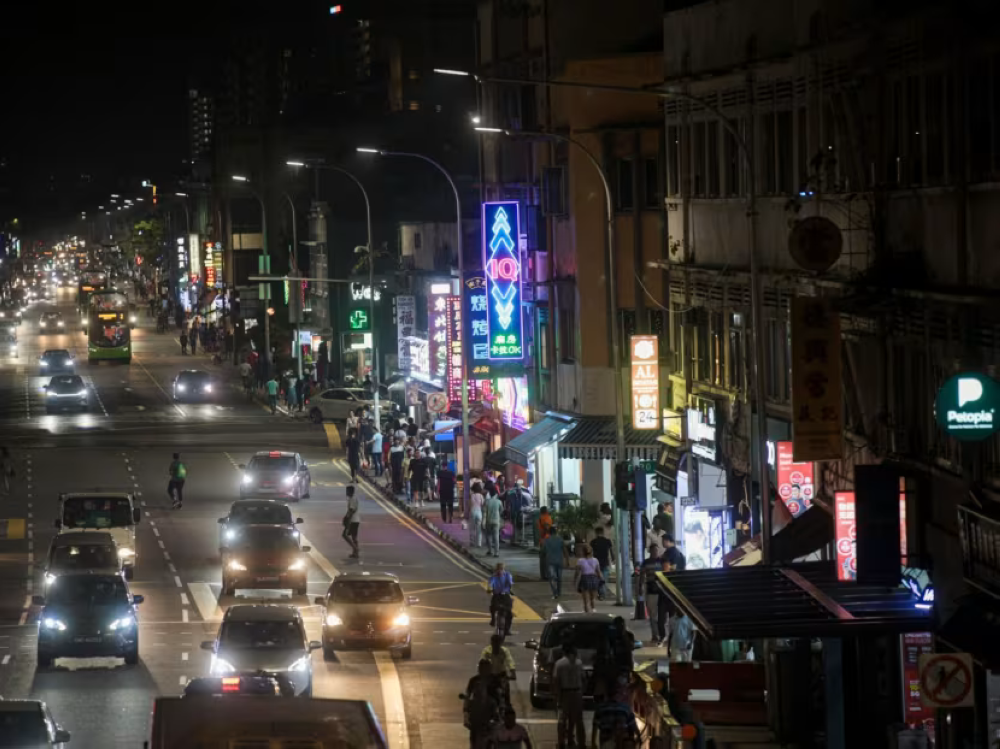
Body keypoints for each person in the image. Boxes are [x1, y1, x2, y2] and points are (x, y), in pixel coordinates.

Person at [553, 644, 587, 749]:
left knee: (562, 719)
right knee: (578, 719)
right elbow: (584, 678)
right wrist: (582, 691)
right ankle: (580, 742)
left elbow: (556, 681)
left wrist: (557, 696)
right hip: (577, 692)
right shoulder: (579, 663)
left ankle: (561, 742)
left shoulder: (559, 664)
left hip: (565, 693)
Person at [465, 659, 501, 749]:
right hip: (477, 714)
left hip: (492, 713)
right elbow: (467, 697)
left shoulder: (495, 680)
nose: (483, 671)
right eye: (481, 668)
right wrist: (465, 714)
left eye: (486, 668)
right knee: (474, 738)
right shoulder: (473, 681)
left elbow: (501, 696)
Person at [639, 545, 665, 644]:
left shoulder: (662, 561)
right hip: (651, 591)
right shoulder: (646, 562)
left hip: (661, 591)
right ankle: (655, 635)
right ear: (650, 551)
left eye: (656, 550)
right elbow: (642, 575)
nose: (655, 552)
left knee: (661, 615)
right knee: (652, 615)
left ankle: (661, 634)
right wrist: (640, 587)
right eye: (653, 550)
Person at [573, 544, 603, 614]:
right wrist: (601, 579)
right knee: (592, 598)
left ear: (583, 552)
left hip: (585, 579)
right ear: (592, 552)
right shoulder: (595, 560)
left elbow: (577, 572)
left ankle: (586, 612)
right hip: (594, 579)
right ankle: (594, 610)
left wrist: (574, 581)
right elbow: (598, 571)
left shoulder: (580, 561)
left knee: (585, 599)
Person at [487, 562, 514, 636]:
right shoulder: (493, 576)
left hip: (505, 595)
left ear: (503, 569)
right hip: (497, 595)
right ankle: (493, 619)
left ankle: (507, 629)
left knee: (510, 614)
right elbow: (490, 584)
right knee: (493, 606)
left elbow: (510, 584)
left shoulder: (508, 575)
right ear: (496, 570)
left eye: (501, 569)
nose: (500, 571)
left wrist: (507, 589)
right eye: (498, 569)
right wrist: (489, 589)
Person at [541, 527, 568, 600]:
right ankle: (559, 593)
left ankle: (555, 593)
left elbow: (543, 551)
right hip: (559, 561)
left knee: (552, 578)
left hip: (550, 562)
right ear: (556, 532)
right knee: (559, 578)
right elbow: (565, 550)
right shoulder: (560, 540)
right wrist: (567, 560)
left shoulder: (546, 541)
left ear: (549, 533)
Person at [589, 526, 614, 601]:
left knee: (597, 579)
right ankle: (603, 593)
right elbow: (611, 552)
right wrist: (613, 558)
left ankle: (601, 594)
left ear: (596, 533)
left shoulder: (593, 542)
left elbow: (590, 552)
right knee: (604, 579)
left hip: (596, 563)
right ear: (602, 533)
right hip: (605, 562)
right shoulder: (607, 541)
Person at [483, 487, 504, 557]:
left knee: (488, 536)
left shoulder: (487, 502)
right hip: (496, 521)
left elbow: (484, 513)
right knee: (496, 537)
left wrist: (483, 522)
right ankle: (496, 553)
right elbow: (501, 511)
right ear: (495, 494)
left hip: (488, 521)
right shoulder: (499, 502)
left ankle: (490, 551)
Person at [342, 485, 360, 558]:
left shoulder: (352, 499)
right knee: (354, 537)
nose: (346, 492)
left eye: (347, 491)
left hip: (352, 520)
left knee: (344, 535)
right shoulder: (353, 499)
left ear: (351, 491)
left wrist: (347, 518)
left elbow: (351, 510)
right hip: (356, 520)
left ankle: (356, 548)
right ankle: (355, 553)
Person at [469, 481, 485, 547]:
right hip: (479, 512)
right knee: (479, 529)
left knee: (472, 528)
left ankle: (472, 542)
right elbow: (483, 504)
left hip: (473, 511)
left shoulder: (472, 496)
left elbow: (470, 504)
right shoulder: (481, 496)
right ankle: (479, 543)